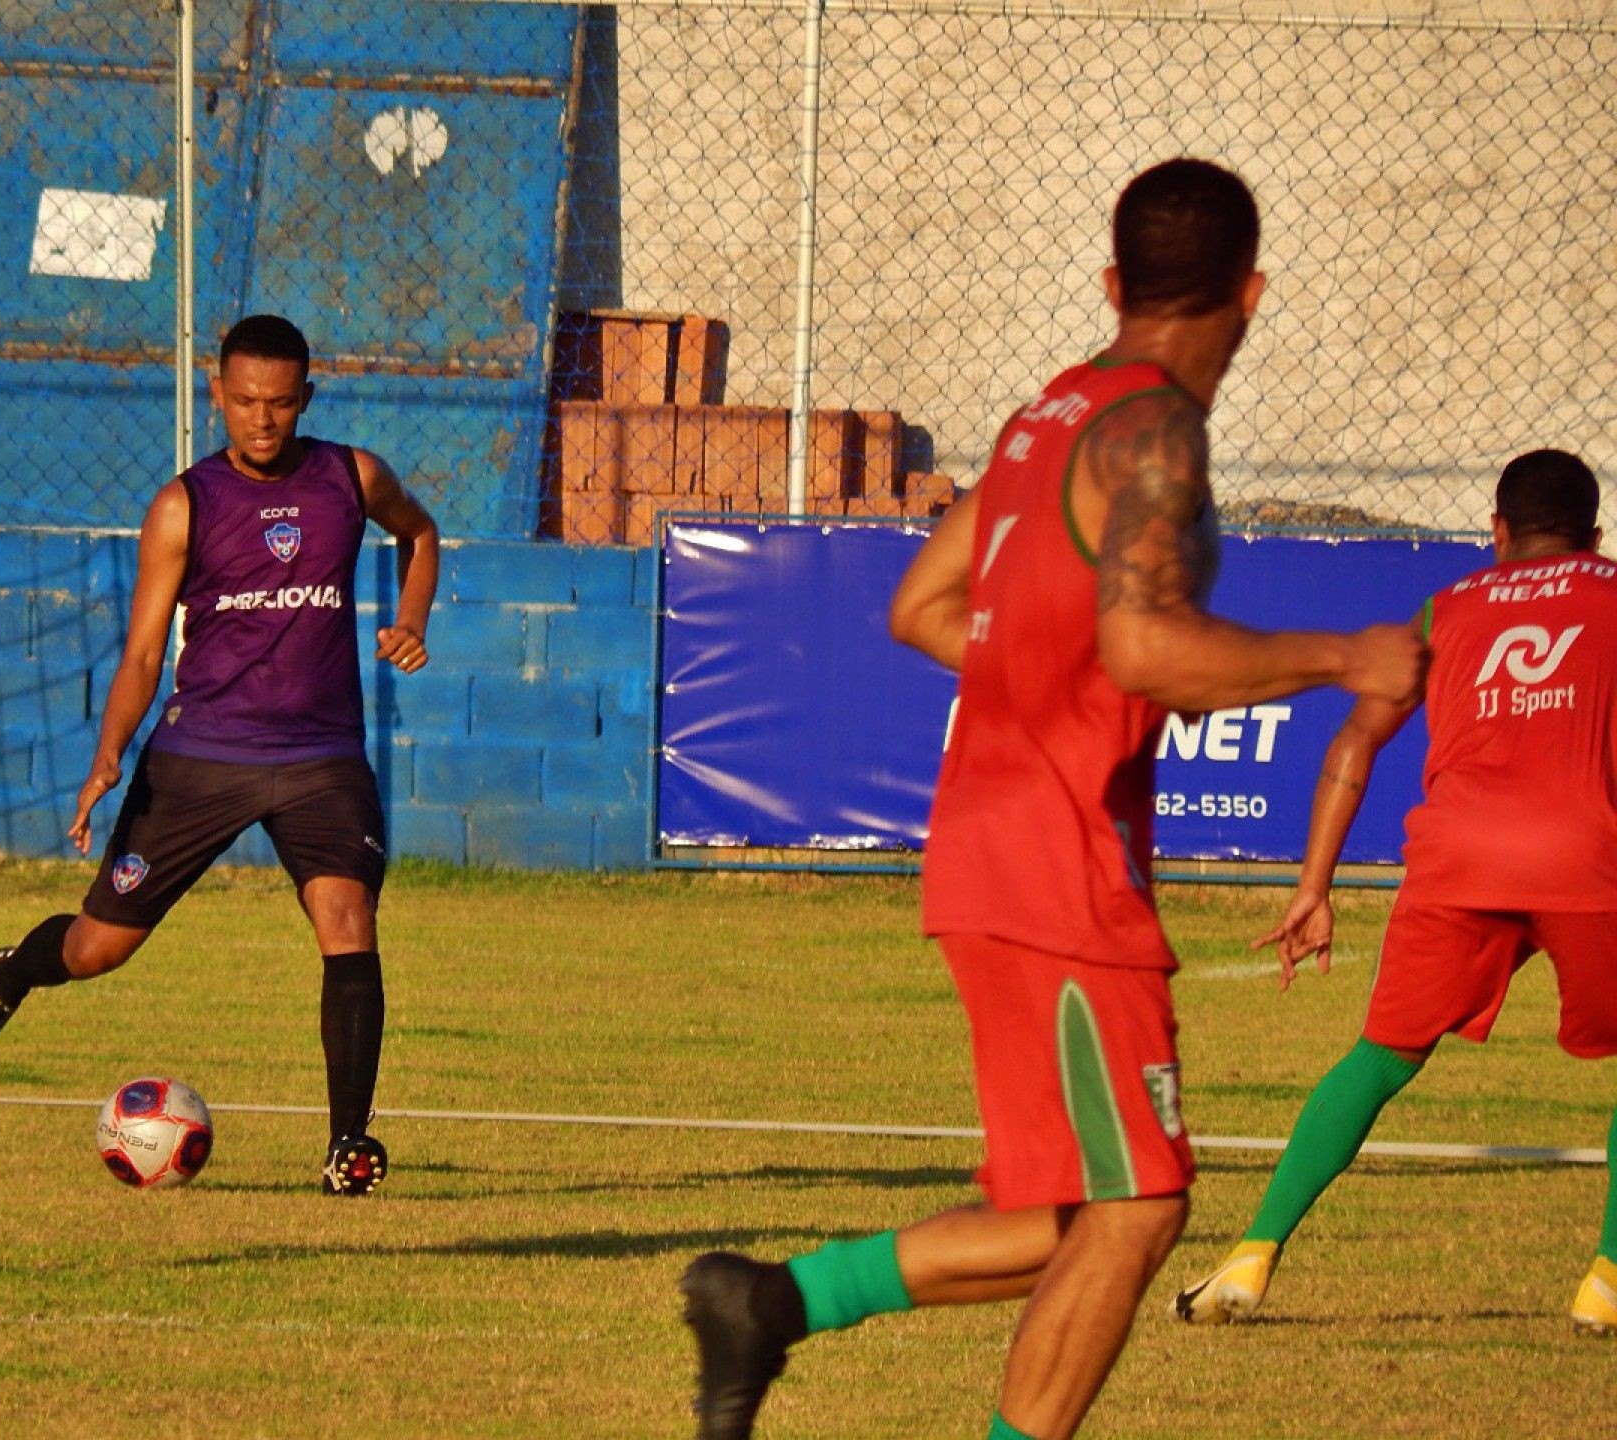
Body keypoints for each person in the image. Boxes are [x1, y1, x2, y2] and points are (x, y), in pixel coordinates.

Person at [677, 158, 1428, 1440]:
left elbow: (923, 605)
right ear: (1251, 295)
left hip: (989, 850)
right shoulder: (1155, 431)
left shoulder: (1050, 415)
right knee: (1138, 1207)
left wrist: (1053, 682)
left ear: (1111, 283)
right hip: (1059, 864)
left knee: (1083, 1212)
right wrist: (1344, 654)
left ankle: (772, 1302)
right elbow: (1145, 648)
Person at [0, 313, 439, 1195]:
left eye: (279, 402)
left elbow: (421, 533)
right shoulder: (184, 505)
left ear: (307, 397)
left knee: (347, 918)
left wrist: (410, 620)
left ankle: (347, 1146)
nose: (262, 420)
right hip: (201, 755)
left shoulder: (351, 476)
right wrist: (108, 756)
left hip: (321, 757)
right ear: (217, 394)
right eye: (244, 401)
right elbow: (140, 654)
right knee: (99, 948)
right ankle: (12, 974)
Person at [1174, 449, 1617, 1337]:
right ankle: (1606, 1279)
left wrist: (1313, 887)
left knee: (1380, 1058)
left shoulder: (1445, 608)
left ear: (1497, 532)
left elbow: (1354, 741)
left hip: (1457, 861)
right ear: (1595, 535)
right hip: (1587, 857)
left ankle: (1254, 1252)